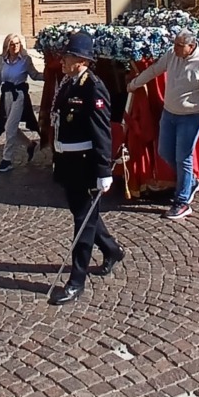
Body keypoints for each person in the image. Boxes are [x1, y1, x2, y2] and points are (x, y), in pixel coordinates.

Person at [48, 32, 123, 306]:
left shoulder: (93, 87)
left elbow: (102, 132)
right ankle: (112, 250)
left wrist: (104, 171)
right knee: (84, 214)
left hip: (85, 165)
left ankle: (76, 281)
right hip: (68, 162)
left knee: (83, 223)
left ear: (80, 61)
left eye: (67, 56)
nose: (63, 60)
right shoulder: (69, 84)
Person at [127, 28, 199, 220]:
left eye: (180, 46)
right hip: (169, 114)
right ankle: (191, 182)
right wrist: (135, 83)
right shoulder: (172, 54)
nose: (175, 49)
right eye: (175, 44)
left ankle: (182, 201)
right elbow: (155, 70)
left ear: (191, 46)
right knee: (164, 152)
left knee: (183, 157)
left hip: (191, 116)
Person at [0, 33, 44, 173]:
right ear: (7, 46)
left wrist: (48, 75)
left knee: (10, 127)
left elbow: (34, 75)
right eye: (12, 44)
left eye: (17, 44)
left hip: (19, 95)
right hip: (6, 95)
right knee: (9, 126)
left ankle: (7, 160)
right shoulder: (3, 60)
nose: (15, 47)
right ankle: (30, 144)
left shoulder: (25, 60)